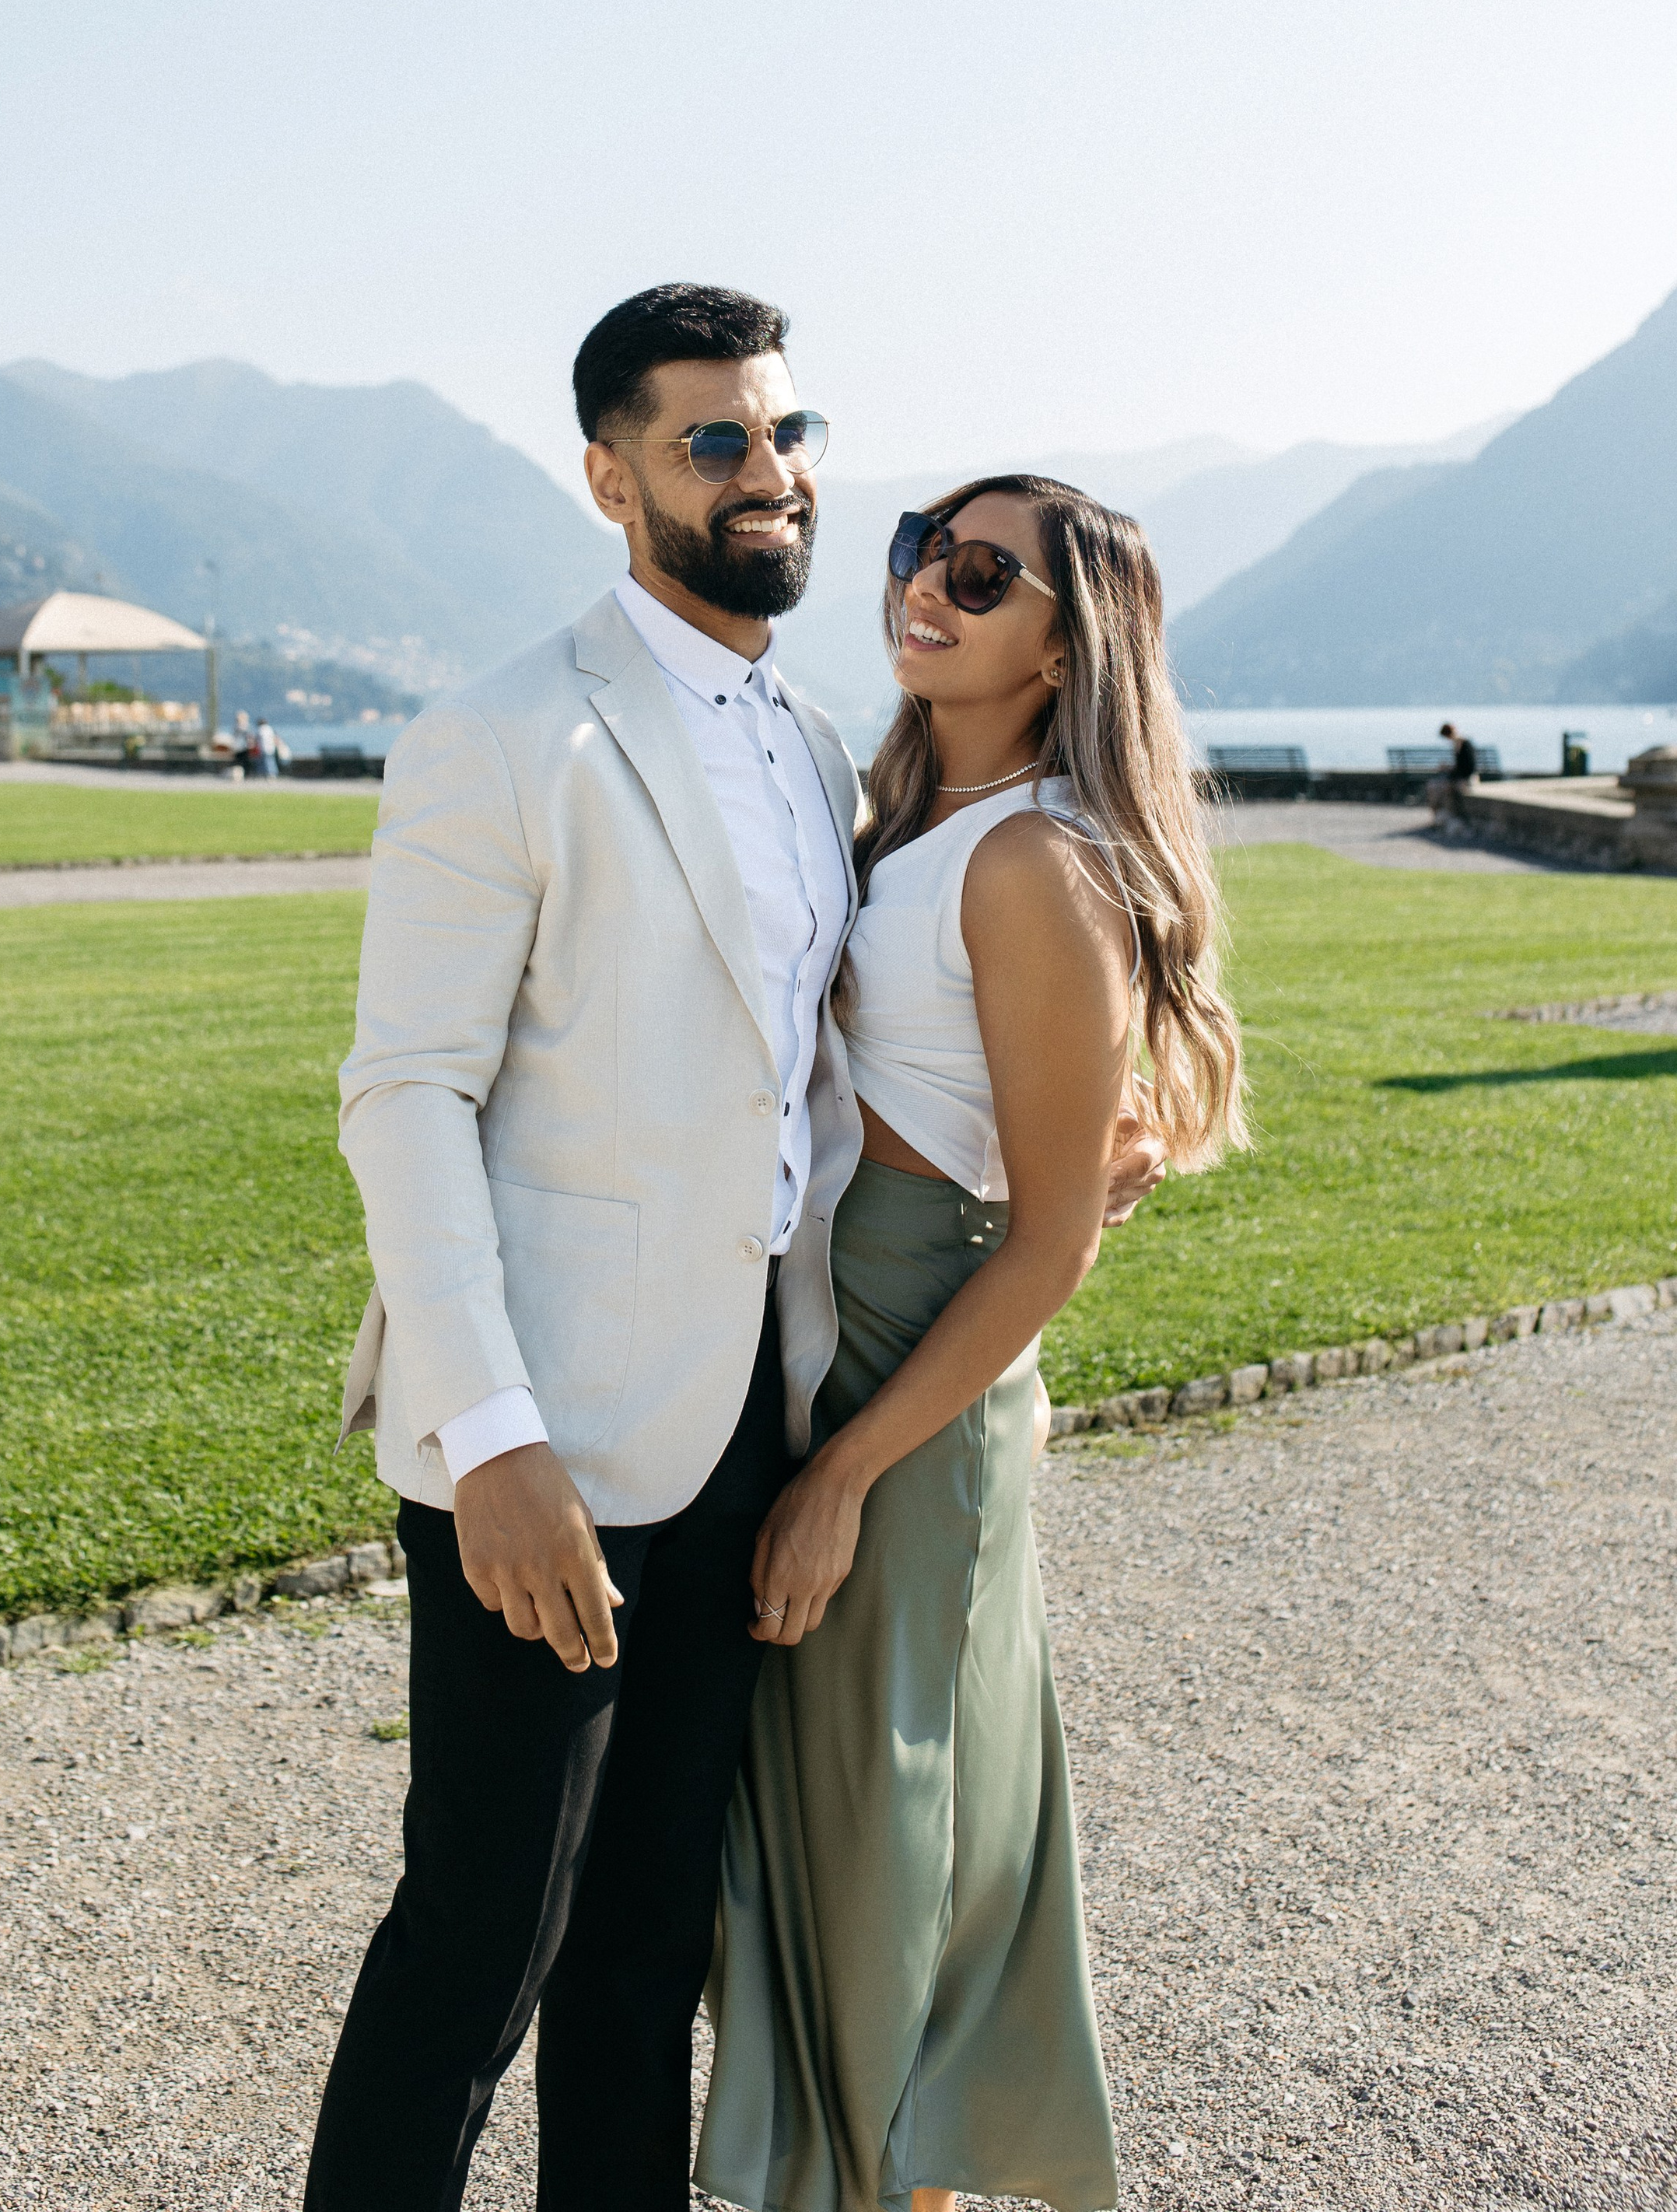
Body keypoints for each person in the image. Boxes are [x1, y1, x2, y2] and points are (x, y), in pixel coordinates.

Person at [303, 289, 1164, 2212]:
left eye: (786, 437)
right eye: (713, 442)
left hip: (749, 1441)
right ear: (610, 479)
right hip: (545, 1448)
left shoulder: (808, 743)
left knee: (640, 1972)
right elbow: (407, 1101)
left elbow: (822, 1062)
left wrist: (1067, 1166)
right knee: (472, 1959)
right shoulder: (500, 737)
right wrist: (495, 1443)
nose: (767, 476)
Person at [697, 474, 1246, 2212]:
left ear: (1065, 637)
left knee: (889, 1856)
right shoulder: (901, 821)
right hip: (829, 1344)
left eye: (981, 570)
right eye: (921, 549)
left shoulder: (1031, 861)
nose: (927, 584)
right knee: (827, 1836)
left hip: (907, 1393)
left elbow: (1050, 1239)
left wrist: (844, 1474)